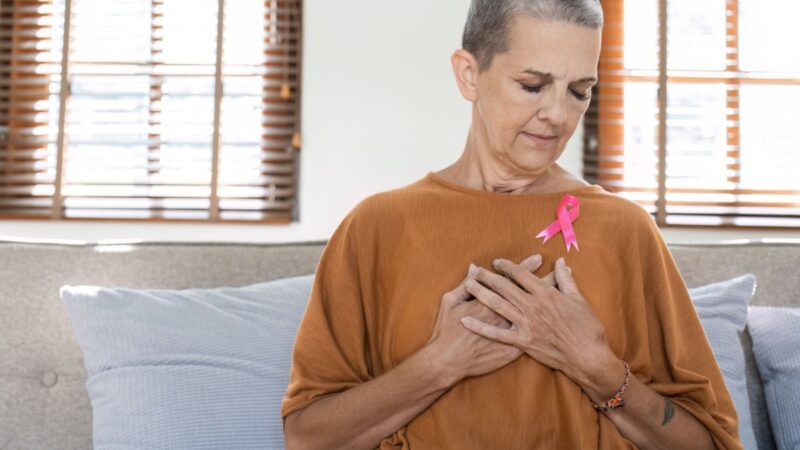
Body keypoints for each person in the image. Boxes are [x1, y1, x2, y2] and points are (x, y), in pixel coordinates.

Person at [281, 0, 742, 448]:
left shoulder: (625, 231)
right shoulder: (376, 228)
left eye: (579, 91)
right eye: (532, 85)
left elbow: (710, 442)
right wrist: (439, 364)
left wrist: (595, 368)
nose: (559, 115)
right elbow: (307, 439)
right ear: (468, 75)